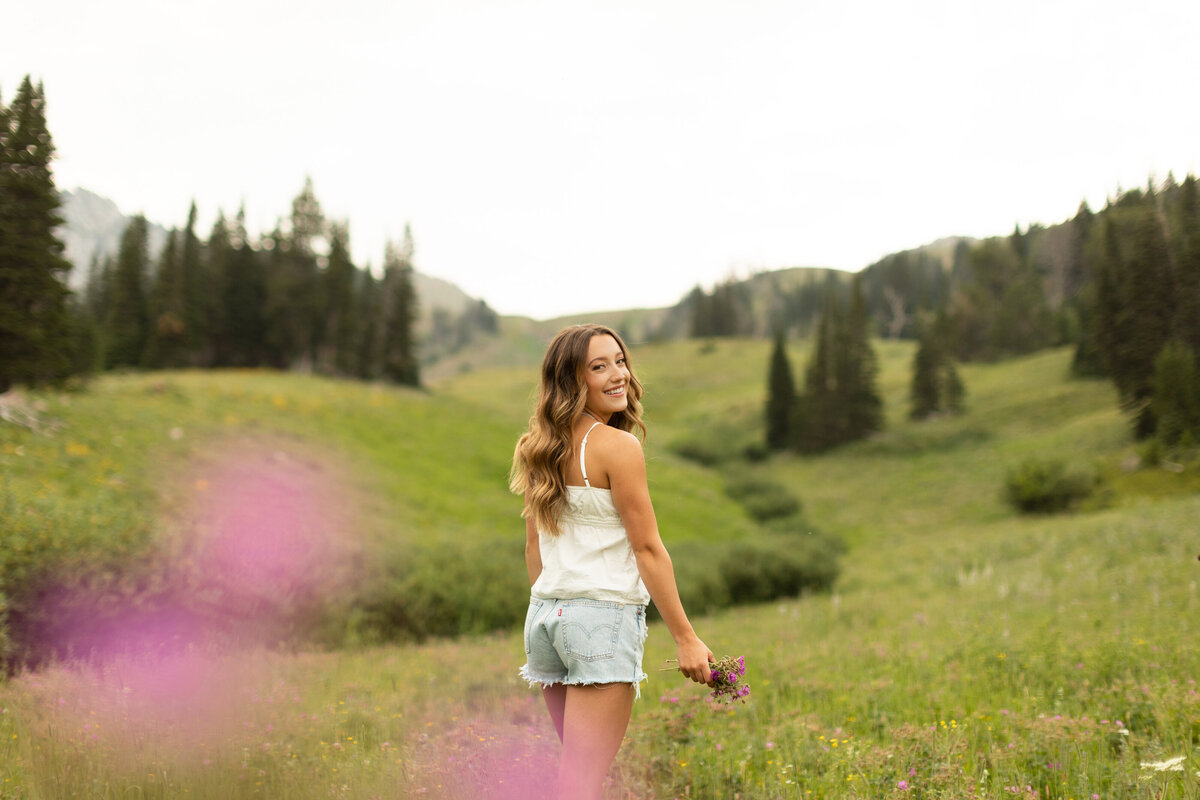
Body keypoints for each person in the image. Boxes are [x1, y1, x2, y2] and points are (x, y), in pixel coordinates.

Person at [510, 323, 714, 800]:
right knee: (579, 785)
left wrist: (555, 609)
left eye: (620, 361)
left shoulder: (535, 447)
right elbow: (647, 549)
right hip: (600, 621)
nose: (618, 374)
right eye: (599, 367)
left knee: (576, 776)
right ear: (571, 381)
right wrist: (686, 637)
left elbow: (533, 547)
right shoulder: (619, 447)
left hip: (544, 619)